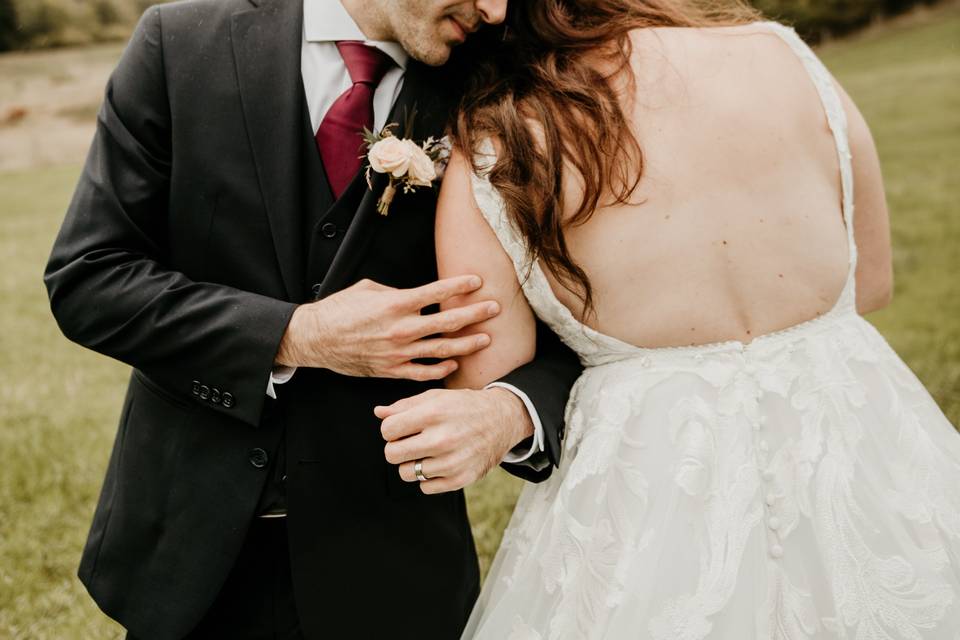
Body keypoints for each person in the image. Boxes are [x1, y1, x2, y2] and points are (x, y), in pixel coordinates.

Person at [43, 0, 582, 638]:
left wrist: (508, 412)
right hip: (189, 556)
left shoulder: (501, 86)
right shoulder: (180, 39)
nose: (495, 9)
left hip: (393, 572)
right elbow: (89, 276)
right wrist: (296, 336)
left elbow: (584, 330)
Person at [421, 0, 960, 637]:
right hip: (861, 437)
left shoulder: (499, 139)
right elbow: (870, 279)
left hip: (657, 486)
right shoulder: (781, 52)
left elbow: (490, 376)